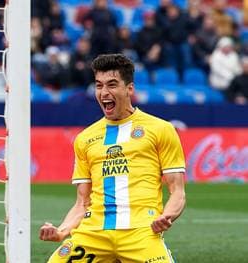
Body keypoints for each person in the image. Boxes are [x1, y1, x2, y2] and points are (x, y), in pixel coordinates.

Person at [39, 54, 186, 262]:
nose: (104, 92)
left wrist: (167, 216)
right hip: (93, 233)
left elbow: (177, 191)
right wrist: (62, 231)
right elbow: (82, 202)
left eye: (112, 85)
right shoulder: (85, 138)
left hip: (141, 231)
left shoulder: (161, 129)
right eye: (99, 86)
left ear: (130, 89)